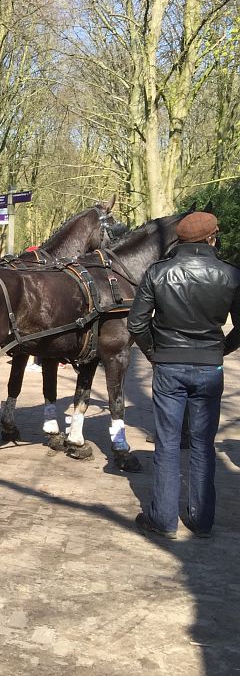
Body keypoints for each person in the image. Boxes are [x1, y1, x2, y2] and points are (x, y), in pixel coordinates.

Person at [127, 211, 240, 539]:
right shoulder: (231, 274)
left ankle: (163, 519)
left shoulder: (157, 273)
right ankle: (201, 519)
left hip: (168, 366)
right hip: (209, 366)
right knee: (204, 444)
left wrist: (154, 354)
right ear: (211, 237)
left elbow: (136, 324)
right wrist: (221, 350)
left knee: (168, 442)